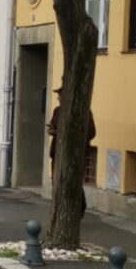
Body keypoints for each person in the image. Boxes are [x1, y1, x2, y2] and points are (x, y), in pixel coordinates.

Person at [47, 87, 96, 217]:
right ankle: (59, 209)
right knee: (56, 181)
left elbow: (91, 132)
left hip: (75, 154)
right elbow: (52, 127)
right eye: (58, 96)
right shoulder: (57, 111)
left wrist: (72, 137)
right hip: (57, 152)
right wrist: (53, 131)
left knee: (72, 181)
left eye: (61, 96)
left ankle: (79, 208)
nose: (58, 98)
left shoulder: (84, 112)